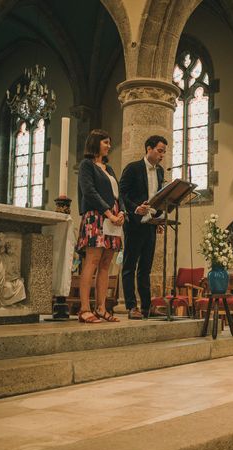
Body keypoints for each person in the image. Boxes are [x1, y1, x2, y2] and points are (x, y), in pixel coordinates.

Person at [76, 129, 125, 323]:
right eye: (106, 142)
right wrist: (109, 213)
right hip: (96, 215)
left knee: (106, 264)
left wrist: (120, 213)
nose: (109, 146)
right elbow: (89, 192)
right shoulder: (86, 165)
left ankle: (101, 308)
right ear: (95, 143)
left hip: (112, 217)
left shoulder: (109, 168)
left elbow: (117, 194)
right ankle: (84, 309)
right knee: (93, 261)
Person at [119, 135, 167, 319]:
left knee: (146, 267)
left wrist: (158, 219)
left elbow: (159, 198)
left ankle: (146, 306)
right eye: (160, 151)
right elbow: (121, 193)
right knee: (130, 266)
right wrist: (134, 208)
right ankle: (131, 306)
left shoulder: (160, 171)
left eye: (164, 152)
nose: (162, 155)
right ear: (149, 148)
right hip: (134, 224)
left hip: (150, 224)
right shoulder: (133, 168)